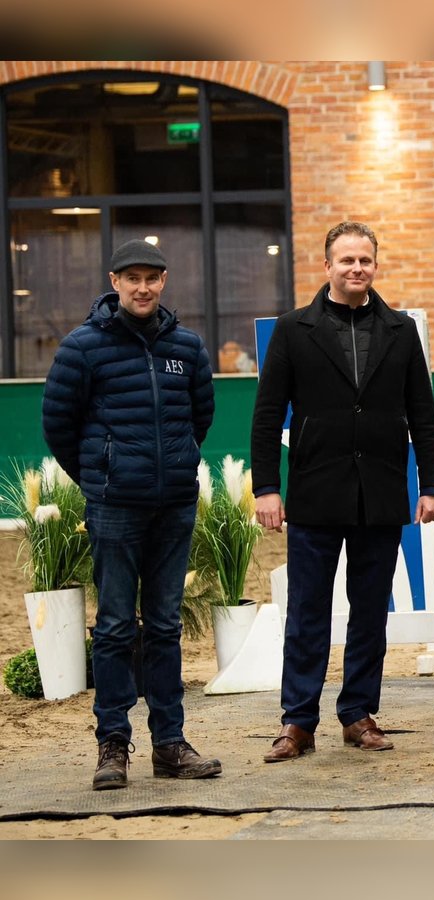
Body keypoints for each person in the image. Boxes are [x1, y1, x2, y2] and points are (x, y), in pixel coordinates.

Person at [251, 221, 434, 763]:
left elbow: (424, 415)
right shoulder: (294, 330)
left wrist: (431, 483)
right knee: (307, 612)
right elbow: (267, 417)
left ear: (375, 266)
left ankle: (358, 713)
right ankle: (298, 721)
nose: (356, 269)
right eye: (346, 261)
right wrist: (266, 488)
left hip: (381, 494)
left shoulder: (401, 331)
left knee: (370, 613)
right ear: (328, 267)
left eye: (365, 260)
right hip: (314, 494)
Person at [42, 239, 221, 790]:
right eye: (132, 278)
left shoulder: (186, 347)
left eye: (152, 277)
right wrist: (102, 477)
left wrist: (175, 468)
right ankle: (112, 745)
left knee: (165, 627)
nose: (143, 287)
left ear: (164, 281)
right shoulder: (82, 347)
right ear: (114, 281)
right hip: (114, 507)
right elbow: (58, 425)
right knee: (117, 628)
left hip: (173, 507)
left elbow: (201, 417)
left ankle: (170, 744)